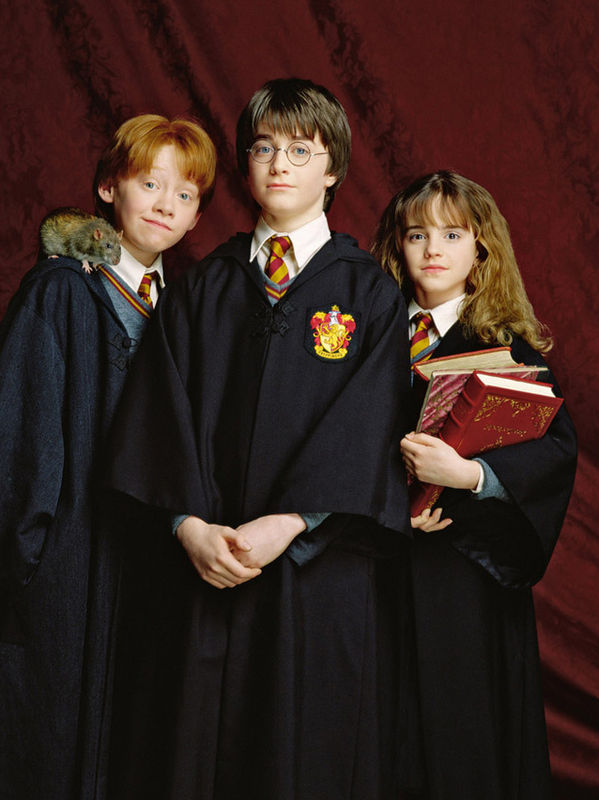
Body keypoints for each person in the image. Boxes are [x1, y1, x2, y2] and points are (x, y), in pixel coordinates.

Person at [106, 78, 412, 800]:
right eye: (264, 148)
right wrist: (186, 526)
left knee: (301, 758)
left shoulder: (369, 294)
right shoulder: (202, 287)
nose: (279, 164)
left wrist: (291, 522)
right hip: (205, 563)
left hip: (315, 569)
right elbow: (158, 415)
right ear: (245, 164)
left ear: (333, 168)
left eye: (300, 151)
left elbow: (369, 423)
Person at [0, 114, 216, 800]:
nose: (164, 204)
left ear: (196, 216)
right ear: (107, 188)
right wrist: (27, 570)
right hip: (64, 564)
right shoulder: (62, 290)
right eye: (148, 183)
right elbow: (20, 442)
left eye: (184, 194)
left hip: (150, 572)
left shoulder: (185, 313)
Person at [372, 170, 577, 799]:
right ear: (398, 246)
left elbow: (554, 453)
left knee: (463, 744)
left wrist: (471, 475)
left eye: (452, 235)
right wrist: (387, 504)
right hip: (373, 564)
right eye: (417, 234)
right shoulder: (365, 336)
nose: (433, 249)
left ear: (481, 249)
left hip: (464, 580)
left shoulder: (507, 352)